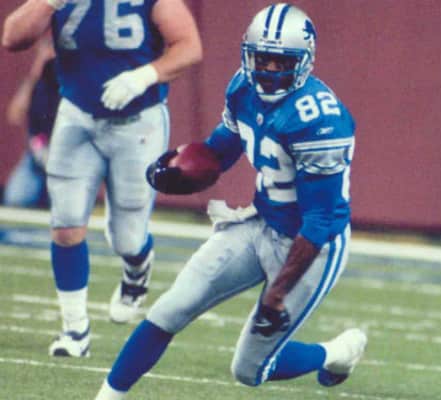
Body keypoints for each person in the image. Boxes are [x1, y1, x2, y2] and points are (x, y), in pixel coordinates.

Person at [95, 4, 365, 399]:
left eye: (281, 62)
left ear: (304, 62)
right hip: (261, 222)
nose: (269, 70)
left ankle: (336, 352)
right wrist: (189, 163)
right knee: (171, 308)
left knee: (249, 370)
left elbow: (320, 220)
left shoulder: (320, 120)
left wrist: (277, 292)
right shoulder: (242, 87)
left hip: (311, 245)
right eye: (262, 58)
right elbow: (225, 144)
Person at [2, 0, 202, 357]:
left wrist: (144, 75)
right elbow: (13, 37)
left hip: (138, 122)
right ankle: (75, 329)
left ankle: (136, 269)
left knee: (127, 238)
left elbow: (189, 46)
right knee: (65, 225)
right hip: (76, 114)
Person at [4, 36, 58, 208]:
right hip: (36, 156)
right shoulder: (36, 85)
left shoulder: (70, 85)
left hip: (64, 158)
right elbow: (15, 115)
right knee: (16, 200)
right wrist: (36, 71)